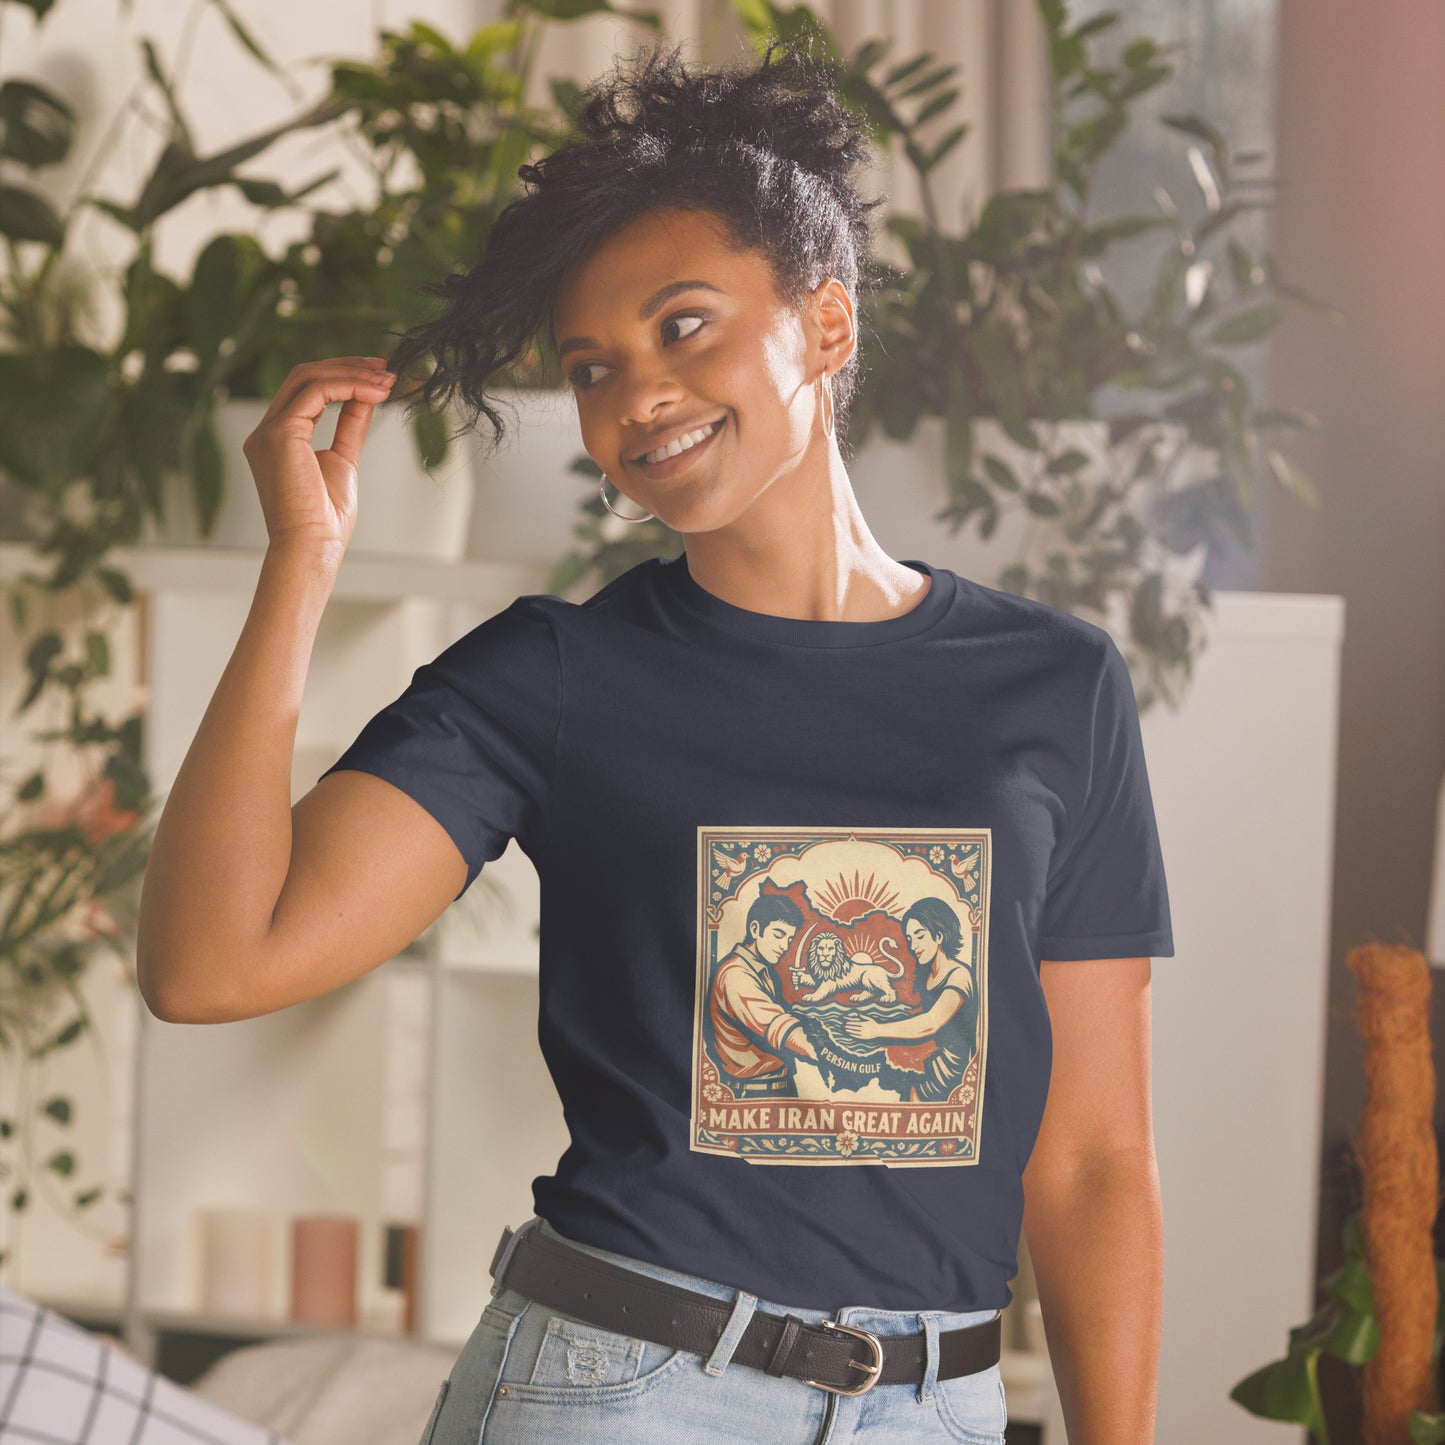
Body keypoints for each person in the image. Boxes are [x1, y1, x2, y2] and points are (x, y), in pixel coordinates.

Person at [136, 29, 1174, 1445]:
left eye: (681, 325)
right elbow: (210, 962)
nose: (634, 399)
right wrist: (300, 567)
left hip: (938, 1407)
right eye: (590, 366)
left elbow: (1096, 1158)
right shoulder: (551, 677)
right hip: (620, 1390)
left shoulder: (1054, 684)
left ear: (825, 323)